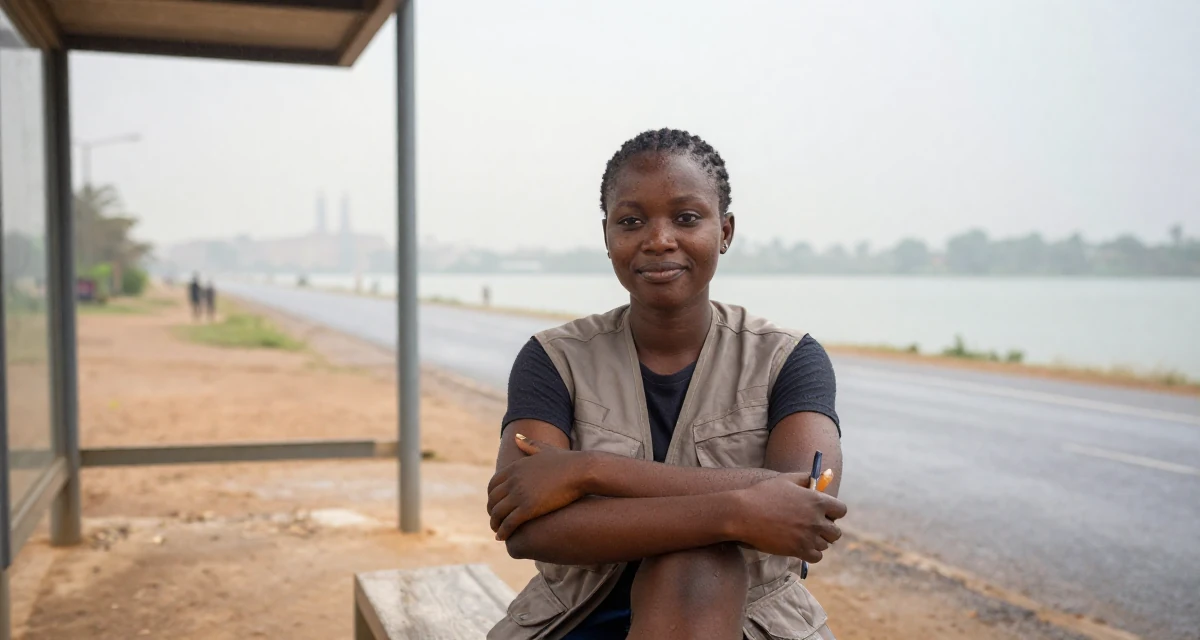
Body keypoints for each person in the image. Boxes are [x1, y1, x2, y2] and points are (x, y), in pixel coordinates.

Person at [487, 128, 846, 640]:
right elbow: (526, 529)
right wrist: (742, 509)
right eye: (632, 221)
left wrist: (590, 471)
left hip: (748, 623)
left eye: (686, 218)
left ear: (724, 231)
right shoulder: (554, 358)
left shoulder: (788, 359)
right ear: (608, 235)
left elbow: (813, 501)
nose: (659, 240)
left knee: (696, 569)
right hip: (577, 621)